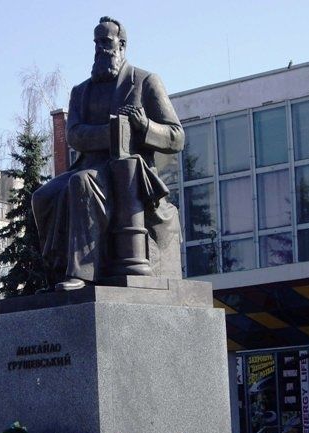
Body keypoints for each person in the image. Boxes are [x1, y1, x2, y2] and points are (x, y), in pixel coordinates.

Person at [32, 16, 184, 291]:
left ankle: (82, 274)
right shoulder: (81, 91)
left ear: (121, 44)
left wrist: (144, 126)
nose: (100, 48)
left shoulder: (145, 81)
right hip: (89, 164)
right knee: (42, 196)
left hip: (129, 172)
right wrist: (115, 131)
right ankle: (55, 274)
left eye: (106, 41)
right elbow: (75, 134)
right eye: (96, 42)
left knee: (83, 183)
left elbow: (176, 136)